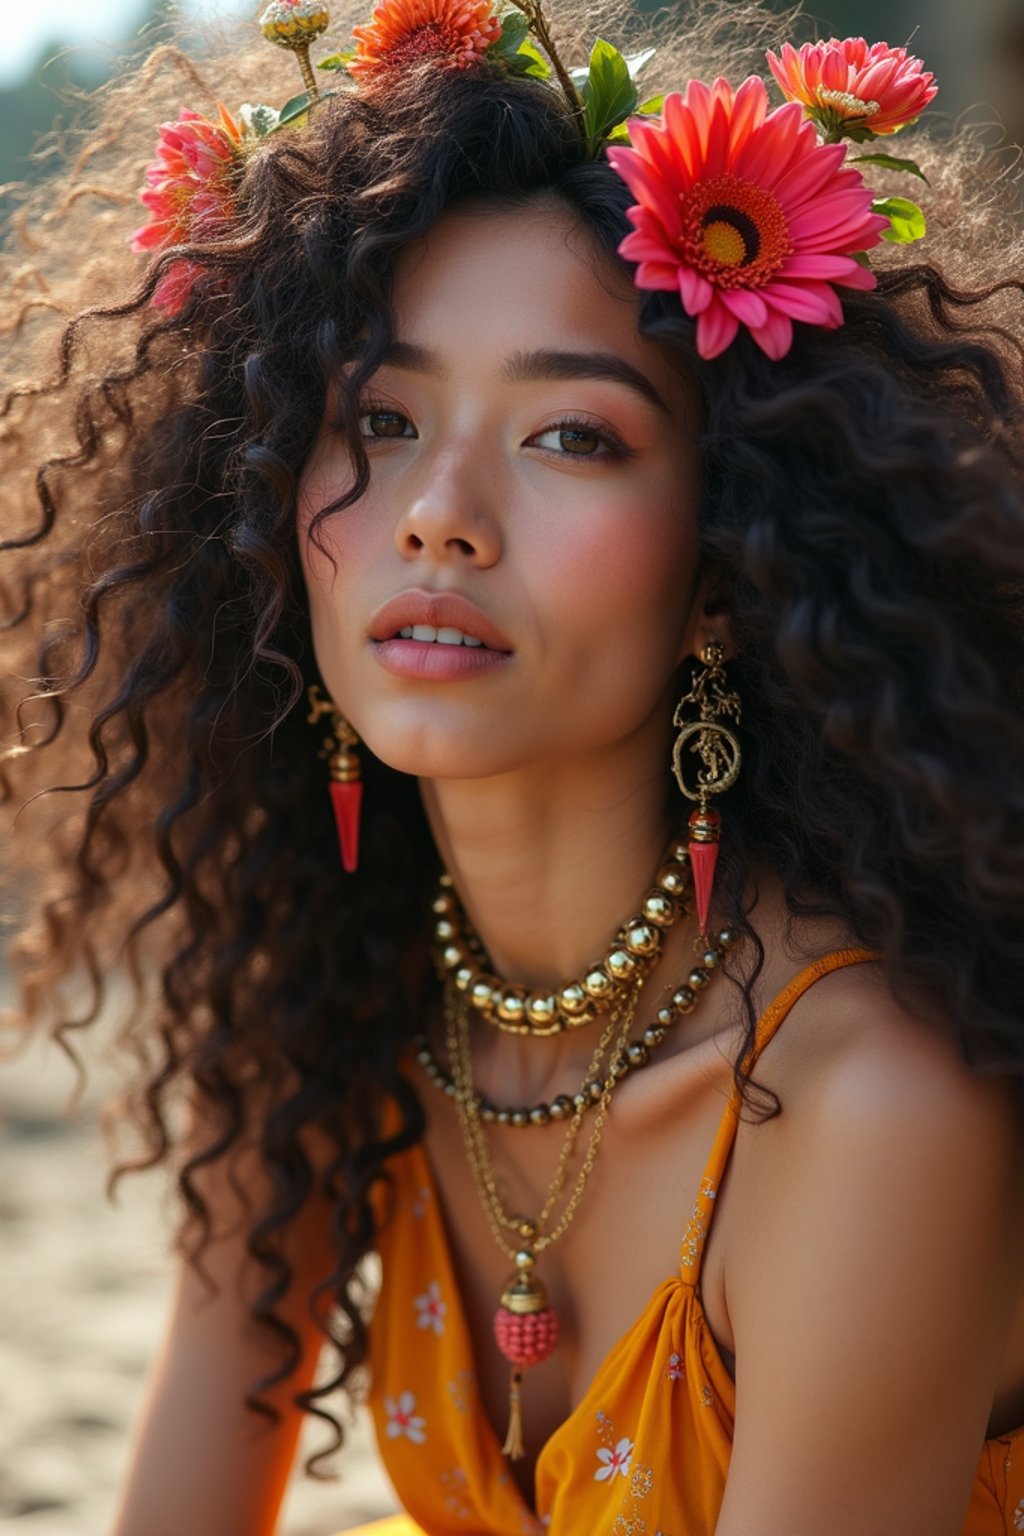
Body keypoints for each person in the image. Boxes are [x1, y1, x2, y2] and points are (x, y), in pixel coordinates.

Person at [2, 0, 1024, 1531]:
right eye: (383, 418)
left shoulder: (872, 1107)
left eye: (573, 438)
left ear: (734, 564)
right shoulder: (343, 1009)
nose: (439, 512)